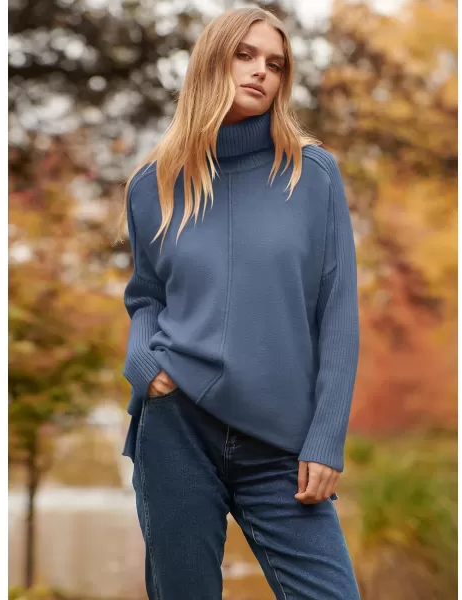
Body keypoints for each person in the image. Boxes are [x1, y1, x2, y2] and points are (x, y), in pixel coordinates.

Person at [120, 6, 361, 600]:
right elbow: (146, 297)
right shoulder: (152, 184)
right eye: (245, 56)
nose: (260, 72)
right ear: (211, 62)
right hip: (177, 427)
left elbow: (337, 313)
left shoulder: (312, 174)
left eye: (275, 64)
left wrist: (325, 439)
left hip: (281, 443)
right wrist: (145, 366)